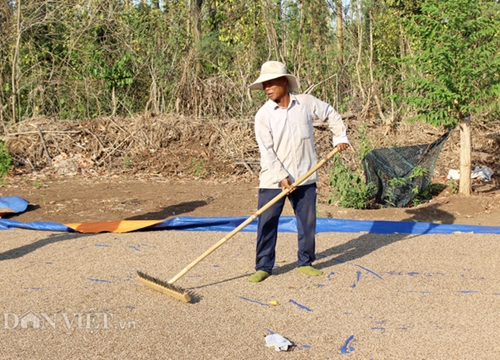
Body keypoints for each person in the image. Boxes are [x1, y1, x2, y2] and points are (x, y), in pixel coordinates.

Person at [247, 60, 349, 283]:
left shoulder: (305, 103)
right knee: (267, 221)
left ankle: (305, 261)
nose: (266, 88)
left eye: (270, 83)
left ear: (284, 82)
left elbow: (331, 114)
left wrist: (339, 137)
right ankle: (263, 265)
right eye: (264, 85)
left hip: (305, 174)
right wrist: (282, 177)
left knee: (307, 222)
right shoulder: (263, 115)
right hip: (273, 180)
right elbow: (267, 151)